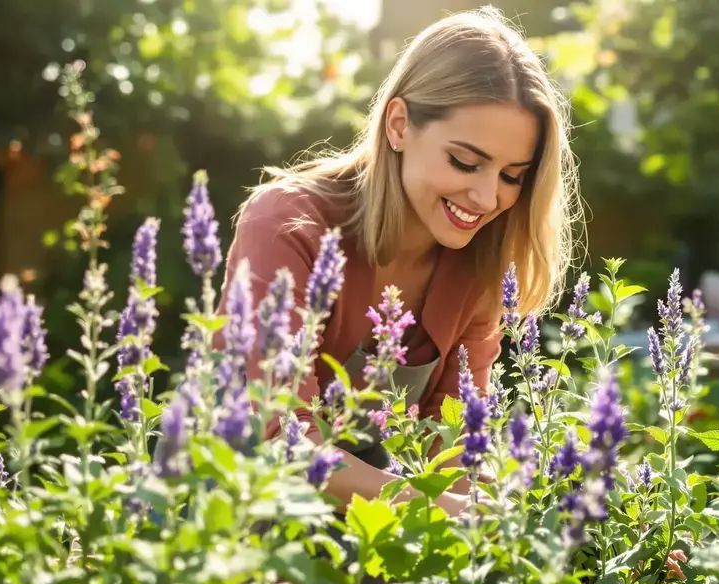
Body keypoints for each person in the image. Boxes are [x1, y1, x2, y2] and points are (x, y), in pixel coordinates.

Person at [215, 7, 581, 517]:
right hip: (228, 526)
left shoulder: (479, 264)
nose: (486, 196)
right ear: (400, 124)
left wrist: (538, 515)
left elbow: (454, 450)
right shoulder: (288, 224)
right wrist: (442, 512)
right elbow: (276, 438)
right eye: (465, 162)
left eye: (512, 176)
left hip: (364, 534)